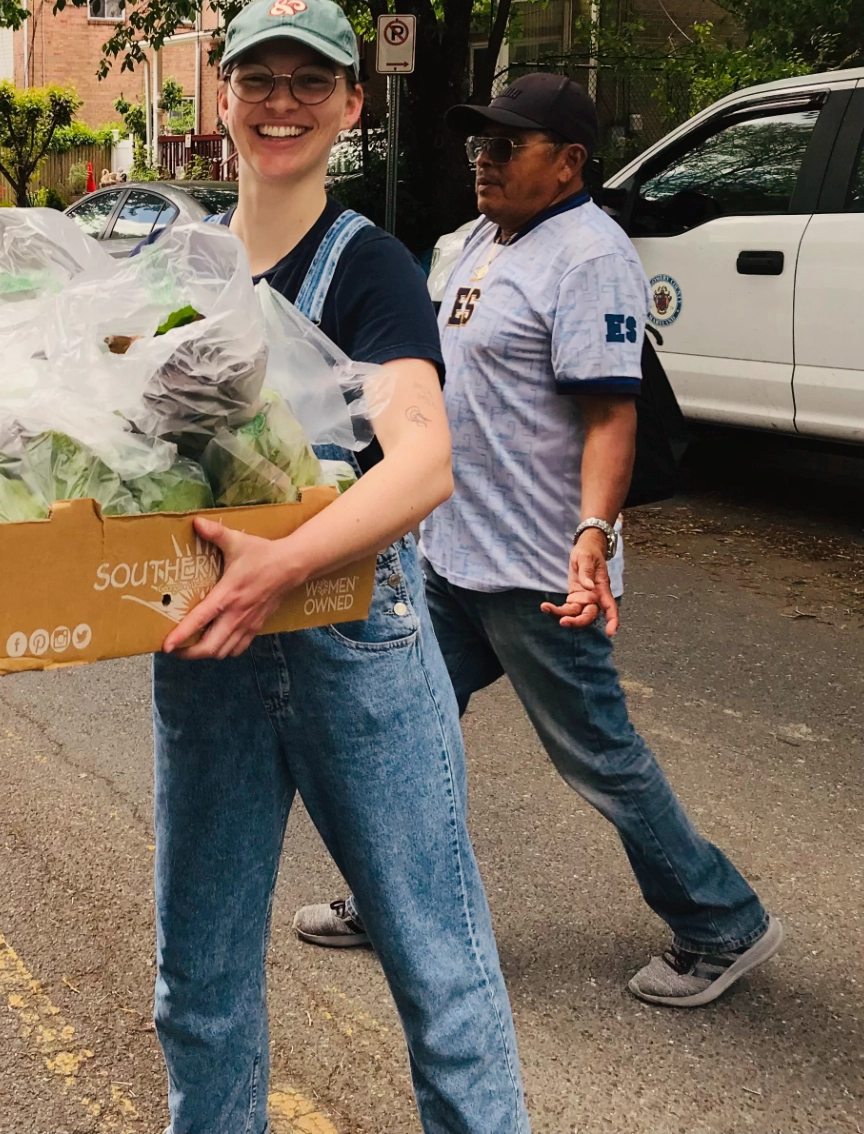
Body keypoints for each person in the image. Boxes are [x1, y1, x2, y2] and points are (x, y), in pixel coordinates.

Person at [294, 73, 782, 1008]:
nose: (483, 159)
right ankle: (389, 898)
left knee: (599, 755)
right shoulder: (476, 240)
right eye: (478, 143)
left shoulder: (591, 258)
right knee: (400, 725)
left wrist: (594, 534)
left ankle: (721, 921)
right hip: (449, 556)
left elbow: (610, 418)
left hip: (538, 569)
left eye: (506, 146)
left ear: (568, 164)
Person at [153, 0, 529, 1134]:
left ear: (351, 104)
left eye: (309, 82)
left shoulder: (370, 272)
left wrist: (277, 564)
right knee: (200, 985)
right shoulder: (182, 265)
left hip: (355, 643)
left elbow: (421, 463)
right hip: (210, 648)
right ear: (223, 97)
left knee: (438, 969)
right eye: (258, 80)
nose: (281, 104)